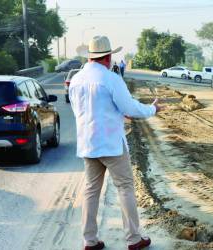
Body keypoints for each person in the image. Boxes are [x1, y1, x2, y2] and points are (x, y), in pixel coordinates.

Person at [69, 36, 161, 250]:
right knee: (125, 188)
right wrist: (152, 109)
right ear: (108, 57)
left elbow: (80, 112)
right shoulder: (110, 79)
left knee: (91, 190)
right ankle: (133, 238)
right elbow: (129, 107)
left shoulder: (76, 80)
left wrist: (116, 115)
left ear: (90, 56)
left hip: (88, 143)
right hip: (111, 144)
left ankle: (89, 240)